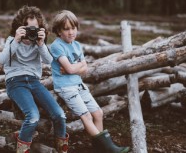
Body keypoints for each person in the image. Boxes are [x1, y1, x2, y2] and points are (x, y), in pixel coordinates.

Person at [50, 10, 129, 153]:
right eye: (66, 29)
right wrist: (75, 67)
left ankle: (100, 148)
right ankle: (108, 148)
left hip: (78, 84)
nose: (71, 32)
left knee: (98, 113)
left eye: (73, 28)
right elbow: (71, 68)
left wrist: (74, 68)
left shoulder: (77, 45)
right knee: (86, 116)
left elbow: (84, 69)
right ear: (58, 31)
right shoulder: (57, 46)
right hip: (66, 87)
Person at [0, 5, 69, 153]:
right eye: (27, 27)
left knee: (60, 115)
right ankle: (22, 149)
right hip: (15, 82)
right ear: (19, 27)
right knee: (32, 117)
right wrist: (16, 40)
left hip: (34, 81)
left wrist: (41, 44)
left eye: (34, 28)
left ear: (40, 29)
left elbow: (50, 61)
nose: (31, 31)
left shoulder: (38, 43)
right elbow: (3, 60)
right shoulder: (12, 40)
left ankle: (61, 149)